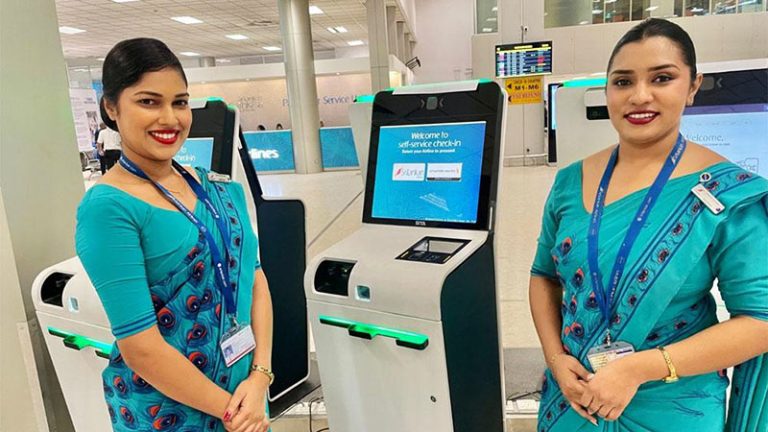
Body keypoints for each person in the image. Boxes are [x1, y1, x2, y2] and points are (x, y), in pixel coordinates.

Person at [529, 18, 767, 432]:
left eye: (662, 78)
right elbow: (543, 277)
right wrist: (556, 359)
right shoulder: (570, 182)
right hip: (572, 399)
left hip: (673, 404)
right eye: (623, 82)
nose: (640, 96)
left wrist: (641, 368)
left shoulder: (727, 194)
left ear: (693, 86)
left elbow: (760, 320)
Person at [75, 38, 273, 432]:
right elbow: (141, 349)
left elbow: (256, 280)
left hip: (245, 395)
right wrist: (236, 412)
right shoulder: (108, 209)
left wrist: (260, 377)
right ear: (111, 108)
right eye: (148, 102)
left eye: (179, 102)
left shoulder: (222, 189)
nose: (170, 118)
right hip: (167, 413)